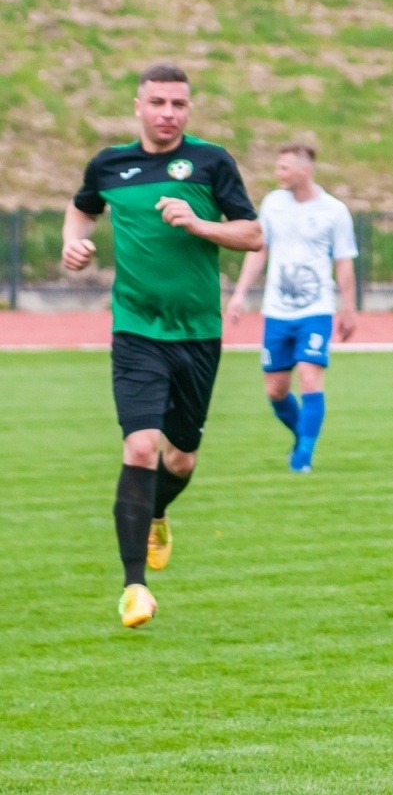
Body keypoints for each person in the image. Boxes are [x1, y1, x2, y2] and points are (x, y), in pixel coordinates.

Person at [61, 63, 262, 628]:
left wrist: (201, 224)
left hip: (197, 332)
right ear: (138, 106)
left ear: (188, 110)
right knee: (142, 447)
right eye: (158, 102)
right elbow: (82, 208)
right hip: (135, 330)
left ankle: (156, 515)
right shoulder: (109, 164)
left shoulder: (210, 162)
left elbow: (252, 234)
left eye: (178, 104)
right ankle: (134, 588)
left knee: (181, 457)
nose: (168, 113)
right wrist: (73, 245)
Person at [227, 145, 358, 473]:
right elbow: (258, 250)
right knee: (276, 390)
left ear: (304, 170)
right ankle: (303, 436)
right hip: (277, 311)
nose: (278, 174)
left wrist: (349, 309)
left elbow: (343, 264)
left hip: (316, 308)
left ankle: (303, 457)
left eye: (284, 168)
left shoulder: (334, 211)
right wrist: (240, 293)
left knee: (309, 376)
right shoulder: (273, 203)